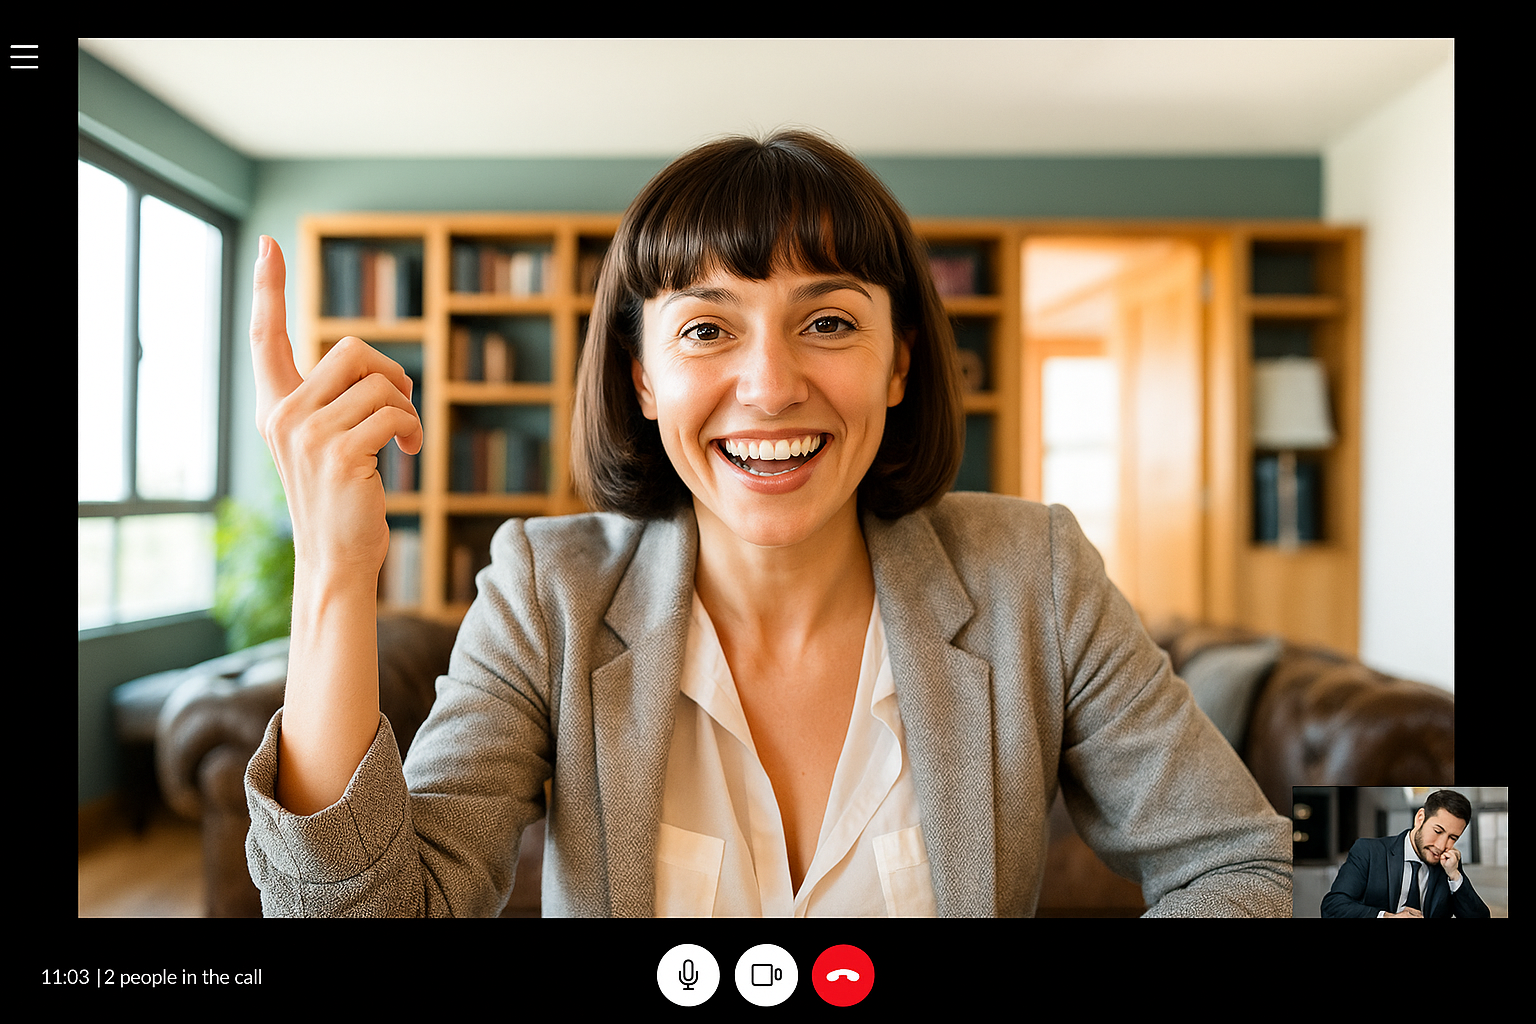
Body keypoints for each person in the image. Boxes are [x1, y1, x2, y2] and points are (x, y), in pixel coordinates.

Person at [243, 130, 1291, 917]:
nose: (771, 385)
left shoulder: (1036, 575)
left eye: (827, 321)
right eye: (707, 329)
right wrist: (333, 570)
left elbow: (1242, 862)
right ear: (642, 378)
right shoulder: (546, 590)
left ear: (899, 361)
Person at [1321, 790, 1490, 918]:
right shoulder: (1369, 851)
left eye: (1452, 838)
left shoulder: (1448, 865)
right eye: (1438, 831)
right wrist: (1387, 917)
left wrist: (1454, 876)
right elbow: (1333, 907)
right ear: (1420, 818)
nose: (1441, 846)